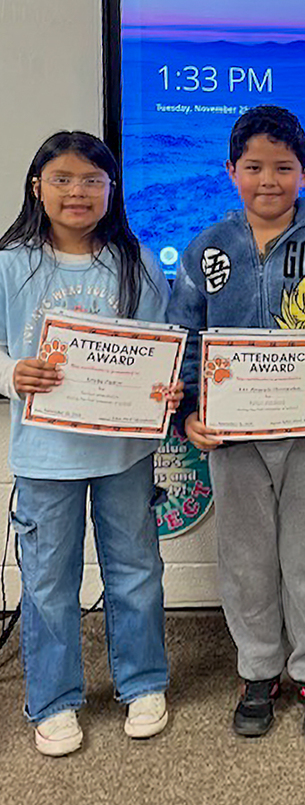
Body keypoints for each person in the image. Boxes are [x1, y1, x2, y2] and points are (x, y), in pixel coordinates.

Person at [168, 105, 305, 742]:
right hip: (232, 438)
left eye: (283, 168)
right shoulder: (208, 248)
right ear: (231, 169)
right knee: (244, 557)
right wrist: (187, 411)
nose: (268, 179)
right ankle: (257, 669)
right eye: (254, 167)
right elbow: (186, 337)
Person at [0, 131, 180, 756]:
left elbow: (160, 346)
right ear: (37, 188)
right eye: (63, 179)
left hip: (122, 454)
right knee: (48, 580)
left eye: (92, 180)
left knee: (135, 572)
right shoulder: (10, 263)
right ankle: (53, 698)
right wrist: (11, 374)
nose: (77, 192)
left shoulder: (135, 262)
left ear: (111, 190)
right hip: (44, 457)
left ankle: (144, 682)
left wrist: (166, 389)